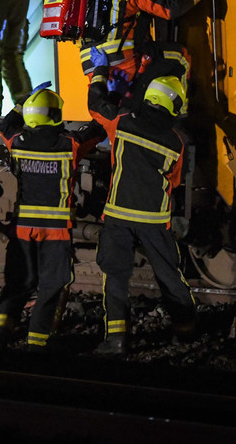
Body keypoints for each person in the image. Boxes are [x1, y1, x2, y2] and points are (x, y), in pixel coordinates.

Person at [87, 50, 197, 355]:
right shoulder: (177, 141)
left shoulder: (122, 121)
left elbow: (95, 105)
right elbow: (174, 181)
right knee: (170, 275)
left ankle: (117, 338)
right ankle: (186, 330)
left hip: (118, 216)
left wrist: (100, 72)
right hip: (154, 219)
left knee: (115, 276)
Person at [0, 86, 104, 350]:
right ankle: (36, 344)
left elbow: (8, 123)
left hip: (23, 229)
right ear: (55, 114)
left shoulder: (16, 141)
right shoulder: (70, 144)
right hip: (55, 230)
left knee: (17, 284)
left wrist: (22, 101)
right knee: (52, 284)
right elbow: (98, 130)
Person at [80, 0, 216, 98]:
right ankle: (181, 115)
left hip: (92, 67)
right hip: (123, 63)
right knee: (181, 57)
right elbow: (169, 8)